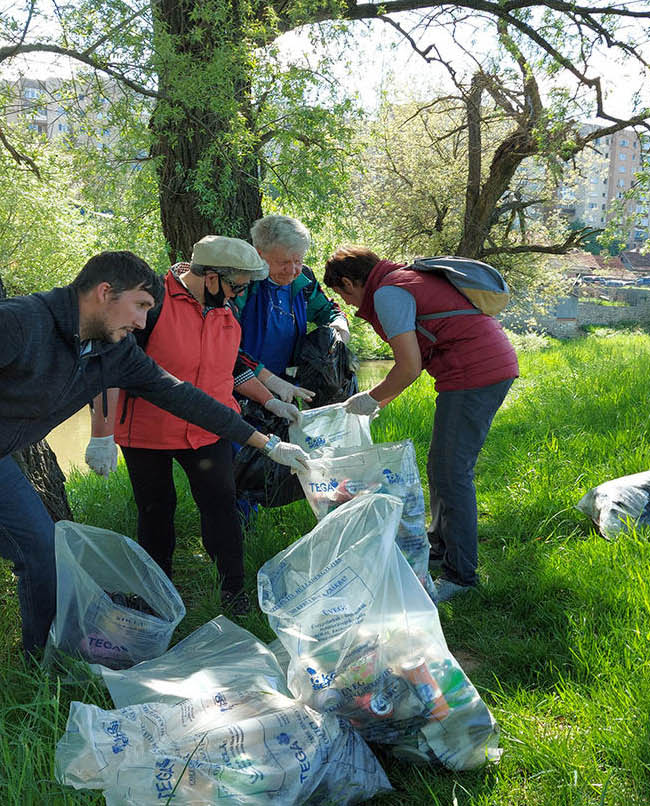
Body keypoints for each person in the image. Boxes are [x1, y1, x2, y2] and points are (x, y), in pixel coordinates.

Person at [0, 251, 309, 755]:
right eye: (141, 307)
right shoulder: (16, 323)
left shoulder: (112, 349)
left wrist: (266, 443)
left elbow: (182, 396)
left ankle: (38, 666)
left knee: (45, 560)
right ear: (104, 292)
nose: (144, 321)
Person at [85, 236, 302, 615]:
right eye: (236, 286)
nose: (239, 295)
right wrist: (101, 435)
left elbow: (229, 368)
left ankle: (234, 594)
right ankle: (156, 597)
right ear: (213, 277)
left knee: (221, 504)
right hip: (148, 432)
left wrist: (269, 398)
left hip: (208, 429)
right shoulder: (152, 305)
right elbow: (110, 368)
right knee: (156, 510)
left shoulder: (225, 312)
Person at [322, 246, 518, 603]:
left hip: (475, 373)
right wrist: (378, 400)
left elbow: (408, 367)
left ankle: (461, 578)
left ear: (350, 281)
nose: (349, 304)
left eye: (343, 294)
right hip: (483, 367)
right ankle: (441, 547)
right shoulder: (403, 279)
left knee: (452, 472)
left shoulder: (388, 293)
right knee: (441, 466)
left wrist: (371, 398)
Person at [234, 214, 351, 403]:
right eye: (283, 263)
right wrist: (270, 381)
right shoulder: (242, 285)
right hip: (241, 387)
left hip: (288, 388)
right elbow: (226, 348)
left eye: (298, 261)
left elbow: (328, 311)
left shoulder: (303, 281)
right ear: (259, 253)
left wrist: (340, 330)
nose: (292, 270)